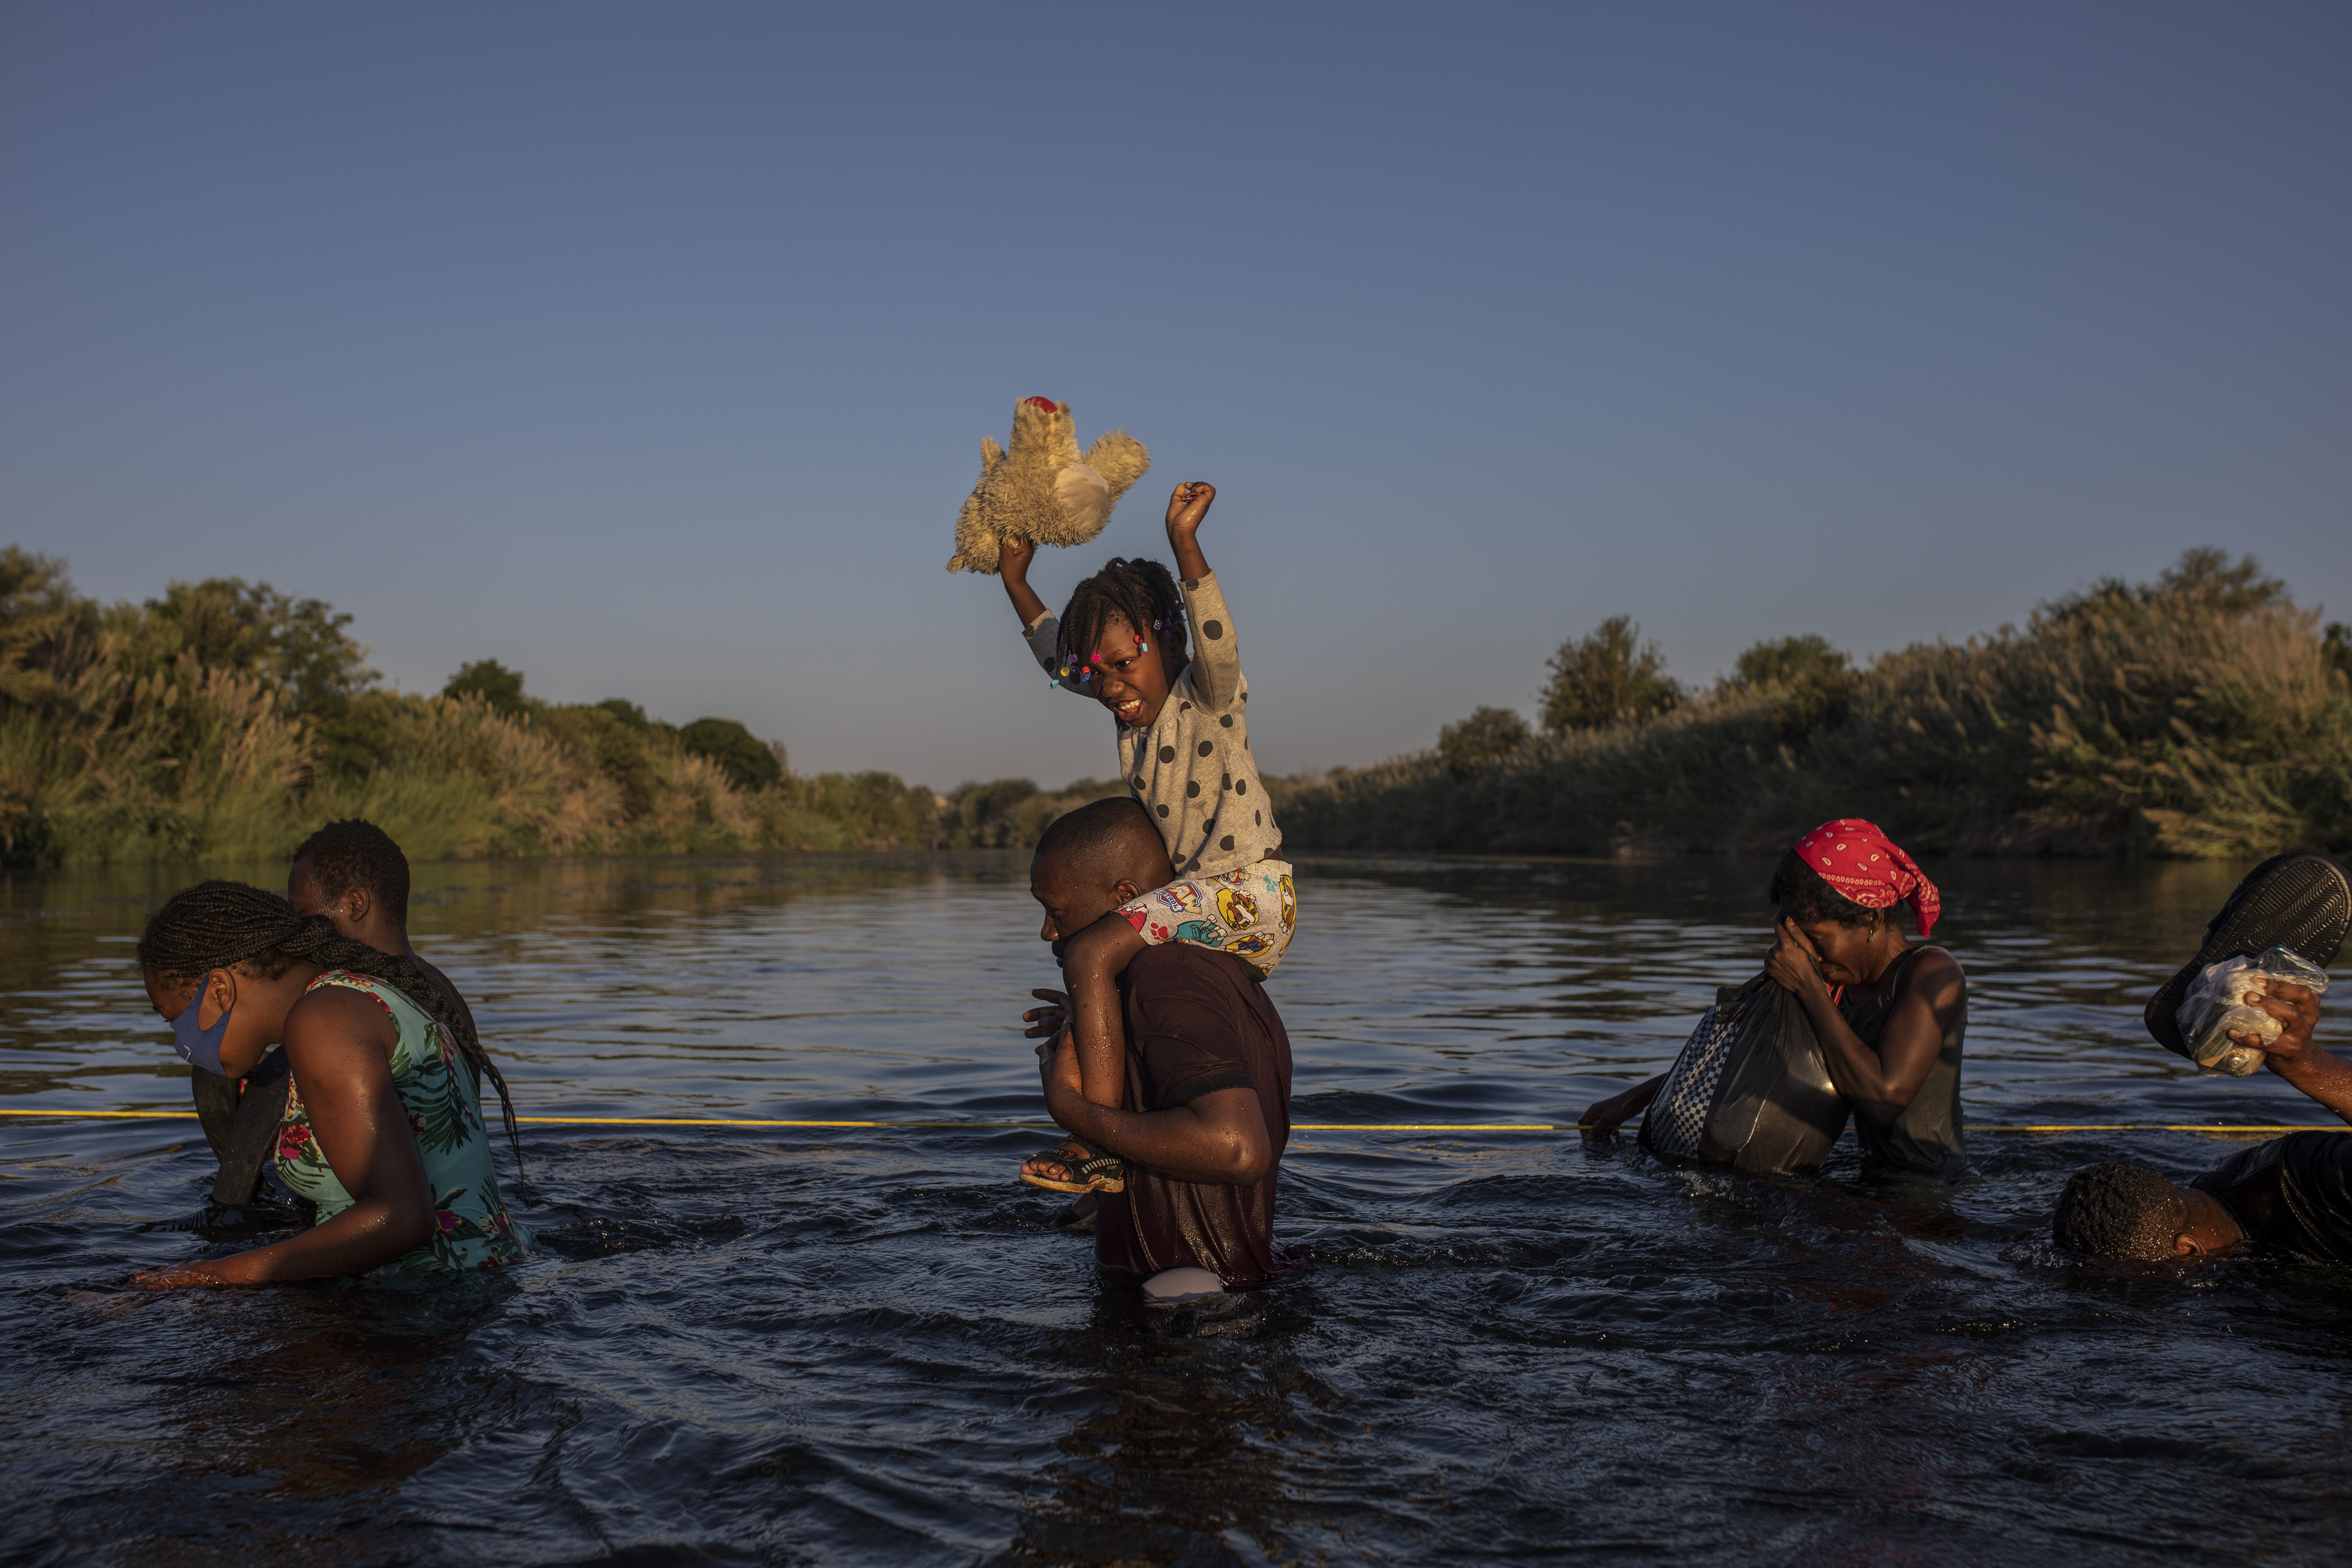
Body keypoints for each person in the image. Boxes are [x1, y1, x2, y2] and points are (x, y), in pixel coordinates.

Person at [994, 477, 1297, 1196]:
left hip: (1249, 891)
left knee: (1090, 949)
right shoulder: (1122, 711)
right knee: (1097, 976)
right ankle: (1110, 1125)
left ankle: (1090, 1140)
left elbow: (1217, 643)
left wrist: (1185, 543)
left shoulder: (1207, 698)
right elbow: (1059, 659)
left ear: (1165, 641)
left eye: (1125, 665)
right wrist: (1015, 578)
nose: (1110, 687)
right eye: (1098, 675)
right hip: (1204, 903)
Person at [130, 880, 533, 1287]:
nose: (181, 1044)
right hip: (490, 1272)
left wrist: (207, 1275)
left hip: (431, 1300)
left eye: (174, 1020)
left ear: (220, 988)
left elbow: (403, 1217)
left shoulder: (321, 1022)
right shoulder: (358, 989)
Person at [1017, 798, 1299, 1297]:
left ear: (1126, 897)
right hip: (1212, 1299)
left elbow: (1237, 1150)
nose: (1048, 932)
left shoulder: (1168, 978)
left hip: (1183, 1317)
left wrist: (1070, 1108)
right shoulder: (1206, 974)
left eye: (1056, 911)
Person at [1581, 819, 1970, 1180]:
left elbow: (1885, 1098)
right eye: (1798, 942)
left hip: (1929, 1192)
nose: (1810, 956)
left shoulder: (1931, 974)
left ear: (1870, 918)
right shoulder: (1834, 987)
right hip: (1869, 1179)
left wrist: (1810, 988)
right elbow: (1749, 1061)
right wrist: (1635, 1098)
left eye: (1817, 939)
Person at [2054, 982, 2352, 1265]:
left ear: (2188, 1252)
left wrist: (2306, 1065)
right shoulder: (2219, 1220)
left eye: (2152, 1281)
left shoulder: (2309, 1186)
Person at [289, 818, 477, 1046]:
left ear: (356, 904)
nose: (298, 929)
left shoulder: (348, 1003)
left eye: (302, 912)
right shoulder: (438, 987)